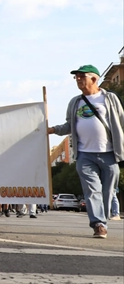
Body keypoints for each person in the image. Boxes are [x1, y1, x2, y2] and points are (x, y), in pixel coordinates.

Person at [48, 64, 124, 239]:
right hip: (84, 155)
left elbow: (121, 121)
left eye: (82, 76)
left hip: (109, 153)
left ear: (94, 79)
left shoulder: (109, 98)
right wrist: (53, 129)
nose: (78, 80)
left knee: (108, 192)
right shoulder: (75, 102)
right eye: (76, 77)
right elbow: (69, 125)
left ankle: (102, 219)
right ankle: (98, 224)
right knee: (91, 191)